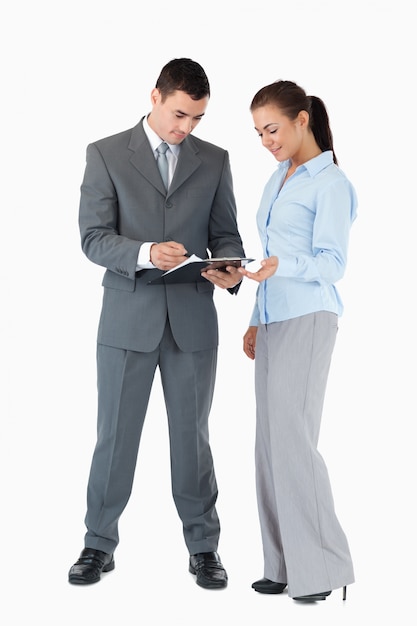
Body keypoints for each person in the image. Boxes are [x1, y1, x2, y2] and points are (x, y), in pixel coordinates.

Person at [68, 58, 246, 589]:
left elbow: (227, 235)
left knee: (193, 440)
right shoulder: (104, 154)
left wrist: (229, 270)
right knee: (114, 438)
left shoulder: (214, 161)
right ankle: (98, 543)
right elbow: (93, 236)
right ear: (154, 96)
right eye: (179, 114)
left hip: (193, 320)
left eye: (196, 118)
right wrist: (145, 252)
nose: (185, 128)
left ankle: (204, 547)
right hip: (127, 318)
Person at [238, 80, 356, 602]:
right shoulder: (277, 179)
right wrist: (255, 319)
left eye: (273, 128)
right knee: (269, 446)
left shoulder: (330, 183)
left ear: (302, 120)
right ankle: (284, 564)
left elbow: (333, 265)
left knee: (294, 443)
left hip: (310, 318)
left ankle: (324, 571)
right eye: (259, 132)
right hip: (275, 320)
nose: (266, 140)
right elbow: (266, 255)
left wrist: (284, 267)